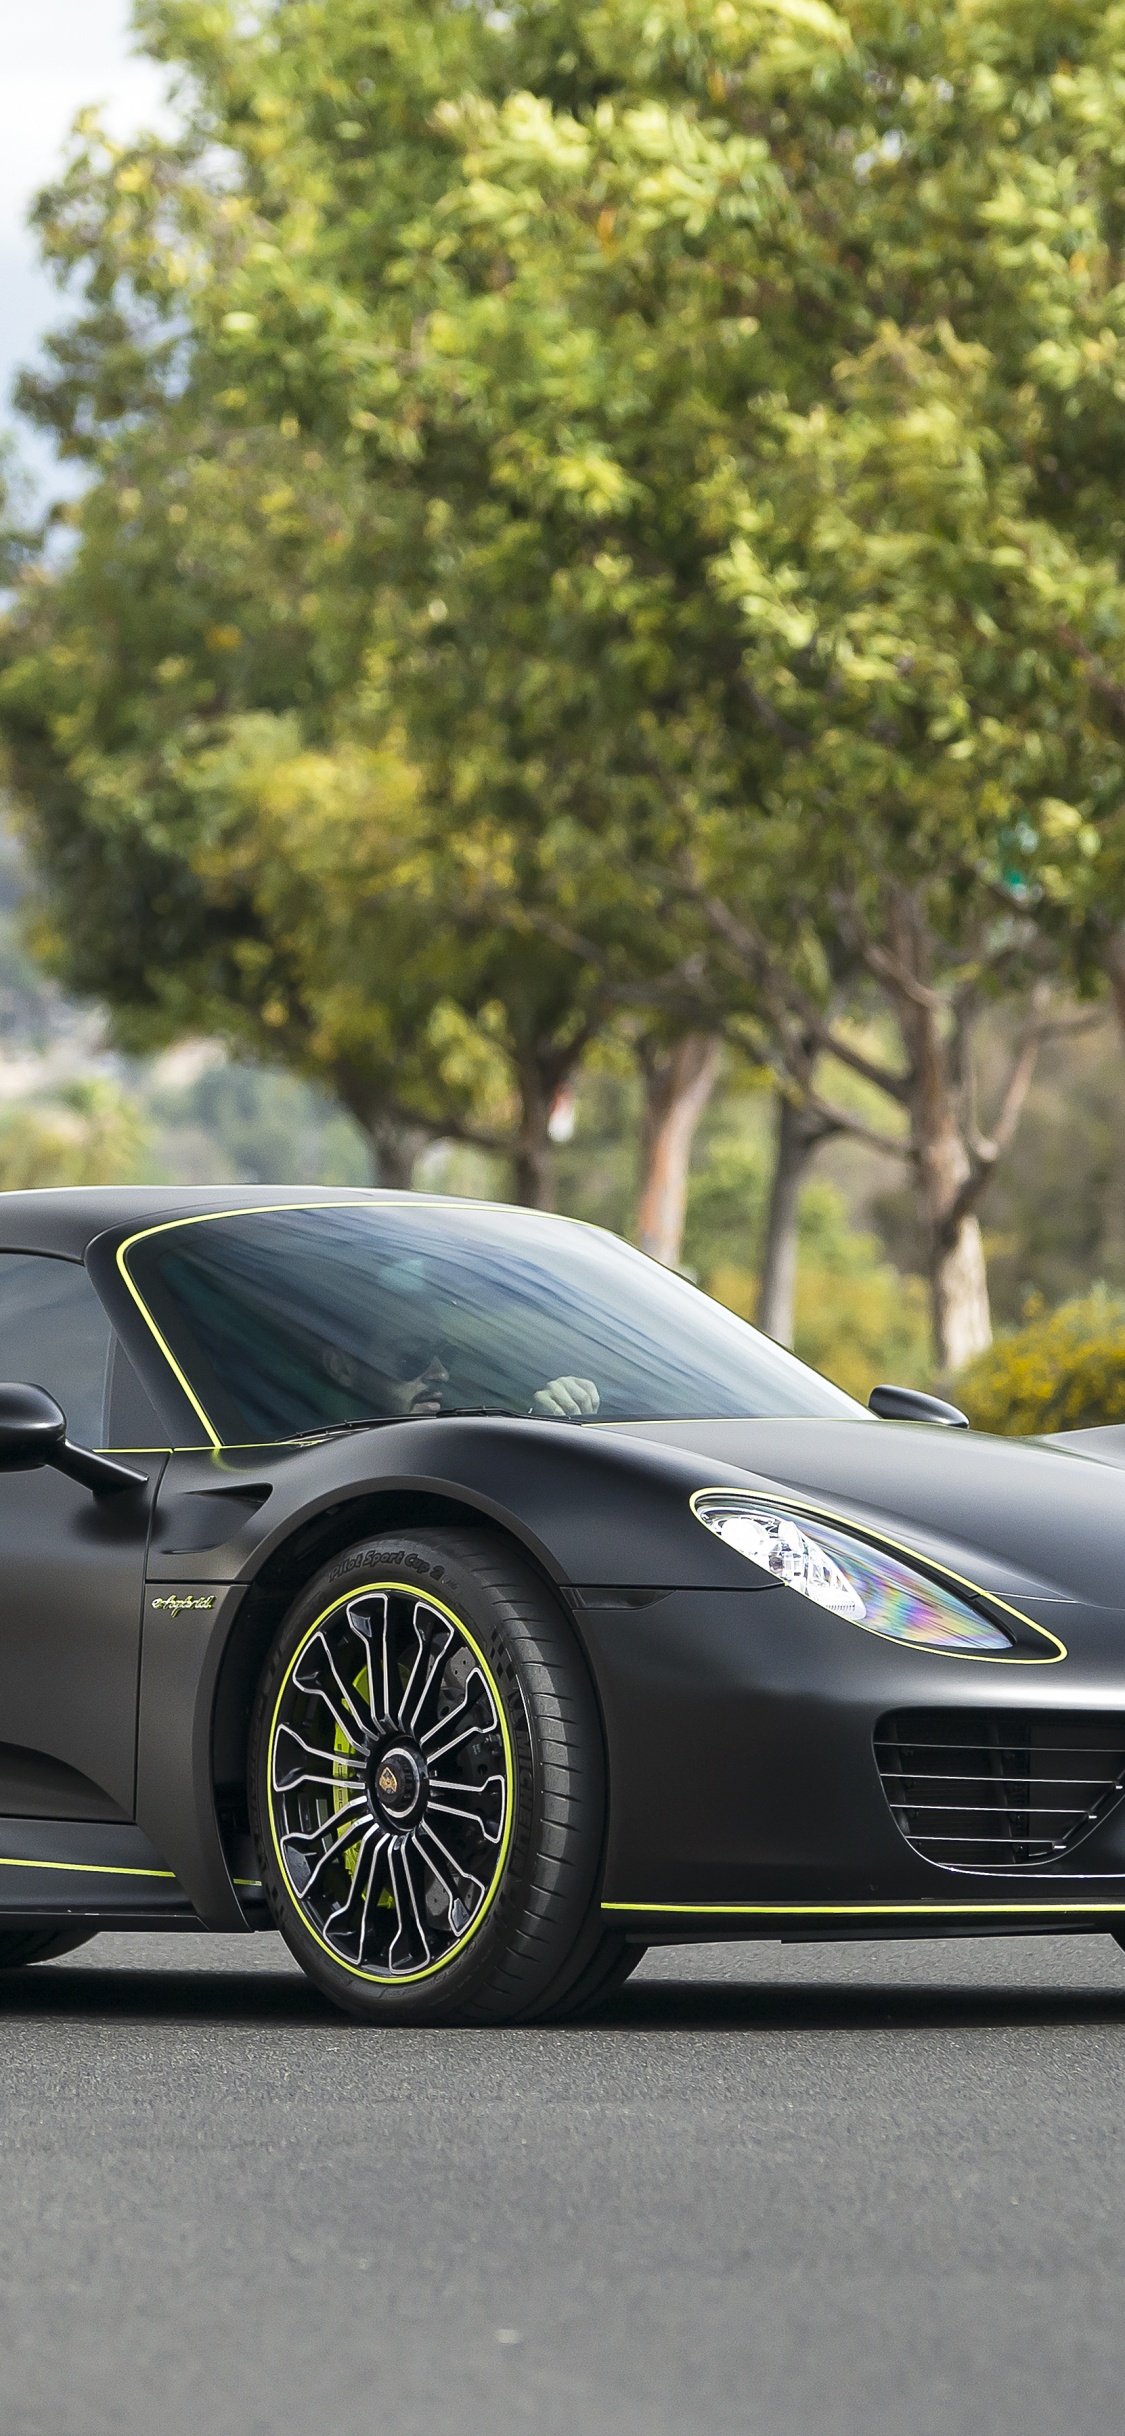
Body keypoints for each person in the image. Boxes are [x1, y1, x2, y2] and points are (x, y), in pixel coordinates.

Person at [323, 1326, 600, 1420]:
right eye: (413, 1356)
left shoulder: (461, 1430)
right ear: (342, 1367)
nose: (440, 1373)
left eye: (447, 1356)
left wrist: (542, 1419)